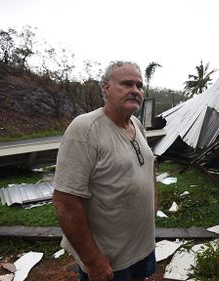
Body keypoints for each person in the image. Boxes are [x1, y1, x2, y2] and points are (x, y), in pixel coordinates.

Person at [53, 61, 157, 281]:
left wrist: (152, 209)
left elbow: (148, 168)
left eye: (139, 86)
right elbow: (66, 202)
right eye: (127, 84)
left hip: (142, 246)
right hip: (109, 258)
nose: (135, 91)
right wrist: (93, 262)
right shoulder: (85, 128)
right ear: (106, 88)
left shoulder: (136, 125)